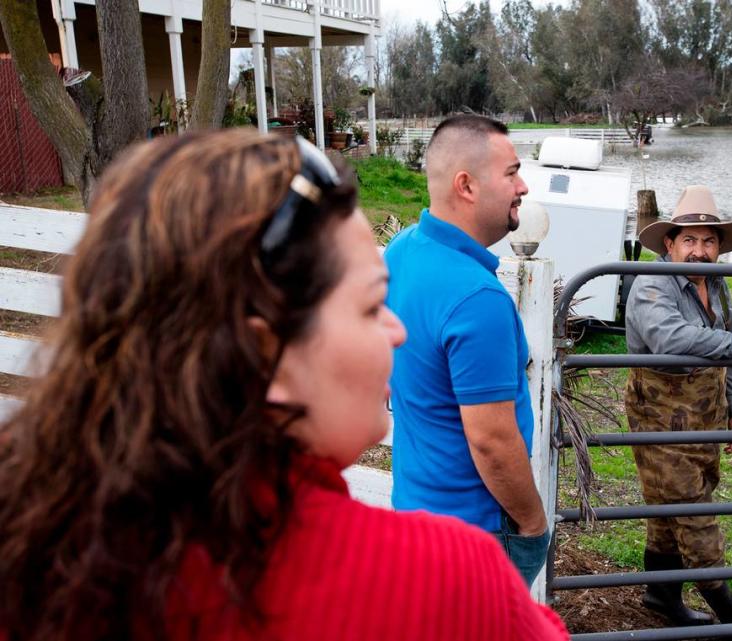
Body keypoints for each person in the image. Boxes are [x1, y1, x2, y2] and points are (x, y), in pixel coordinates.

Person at [0, 129, 568, 641]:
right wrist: (530, 526)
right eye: (372, 306)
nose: (396, 332)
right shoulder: (446, 583)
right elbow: (491, 440)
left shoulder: (45, 541)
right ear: (265, 353)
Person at [625, 185, 732, 641]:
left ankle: (661, 596)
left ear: (718, 246)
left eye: (709, 241)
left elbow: (726, 347)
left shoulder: (715, 283)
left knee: (669, 507)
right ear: (670, 244)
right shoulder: (650, 283)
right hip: (661, 417)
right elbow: (672, 338)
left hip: (705, 411)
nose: (699, 251)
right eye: (689, 240)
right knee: (693, 512)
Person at [385, 115, 550, 587]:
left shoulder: (400, 253)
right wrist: (533, 522)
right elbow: (492, 442)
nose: (522, 186)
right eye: (511, 172)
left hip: (416, 515)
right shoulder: (478, 300)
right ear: (467, 186)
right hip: (474, 539)